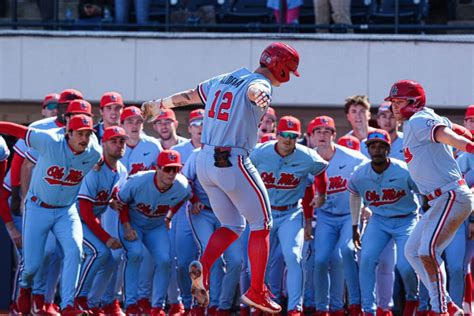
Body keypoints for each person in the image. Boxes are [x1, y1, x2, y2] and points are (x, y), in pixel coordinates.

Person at [141, 42, 300, 313]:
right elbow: (256, 89)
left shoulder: (225, 77)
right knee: (262, 222)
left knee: (233, 225)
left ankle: (203, 266)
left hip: (203, 160)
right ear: (280, 67)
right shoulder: (261, 84)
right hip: (232, 159)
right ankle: (257, 290)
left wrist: (160, 104)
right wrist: (258, 94)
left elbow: (190, 95)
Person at [385, 79, 474, 315]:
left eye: (399, 101)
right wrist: (460, 133)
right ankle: (448, 305)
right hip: (440, 199)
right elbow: (449, 128)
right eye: (392, 102)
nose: (394, 106)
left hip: (450, 194)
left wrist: (467, 144)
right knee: (412, 251)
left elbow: (446, 135)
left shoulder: (417, 120)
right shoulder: (420, 119)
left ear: (414, 102)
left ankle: (440, 309)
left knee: (427, 252)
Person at [0, 114, 102, 315]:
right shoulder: (50, 141)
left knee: (75, 251)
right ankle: (26, 287)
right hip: (38, 207)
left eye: (88, 134)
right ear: (68, 133)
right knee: (32, 265)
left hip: (66, 210)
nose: (84, 138)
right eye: (79, 133)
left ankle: (68, 305)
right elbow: (18, 131)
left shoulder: (94, 152)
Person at [251, 116, 328, 315]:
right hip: (263, 212)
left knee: (294, 257)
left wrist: (322, 194)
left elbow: (320, 172)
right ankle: (259, 303)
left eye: (292, 136)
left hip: (290, 212)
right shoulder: (260, 152)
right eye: (284, 135)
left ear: (298, 137)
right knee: (256, 262)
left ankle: (295, 308)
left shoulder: (308, 156)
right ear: (277, 135)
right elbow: (243, 171)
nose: (287, 140)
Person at [348, 129, 420, 316]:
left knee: (405, 265)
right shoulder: (360, 173)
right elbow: (354, 194)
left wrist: (425, 220)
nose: (377, 150)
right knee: (366, 259)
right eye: (373, 146)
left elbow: (423, 193)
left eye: (382, 146)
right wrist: (355, 227)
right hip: (379, 220)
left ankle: (413, 298)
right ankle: (367, 308)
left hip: (406, 220)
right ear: (368, 149)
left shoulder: (404, 170)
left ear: (388, 149)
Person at [117, 149, 192, 315]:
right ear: (157, 167)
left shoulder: (182, 185)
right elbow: (121, 202)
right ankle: (130, 304)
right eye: (167, 169)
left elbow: (185, 198)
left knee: (165, 260)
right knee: (135, 254)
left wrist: (169, 217)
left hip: (156, 224)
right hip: (134, 220)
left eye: (176, 169)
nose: (172, 174)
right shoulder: (139, 180)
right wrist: (127, 225)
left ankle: (157, 306)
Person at [307, 115, 366, 316]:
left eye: (326, 131)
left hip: (349, 215)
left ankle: (349, 304)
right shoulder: (307, 157)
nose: (322, 135)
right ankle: (322, 308)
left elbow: (370, 176)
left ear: (334, 135)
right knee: (321, 260)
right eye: (318, 132)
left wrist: (366, 204)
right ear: (312, 136)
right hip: (324, 217)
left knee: (345, 252)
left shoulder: (353, 157)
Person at [73, 126, 128, 315]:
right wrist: (106, 237)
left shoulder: (121, 169)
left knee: (112, 258)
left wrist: (112, 201)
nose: (119, 145)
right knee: (100, 251)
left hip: (88, 218)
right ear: (103, 144)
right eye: (114, 141)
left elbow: (110, 195)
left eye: (122, 141)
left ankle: (92, 303)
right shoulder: (94, 168)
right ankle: (77, 299)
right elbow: (86, 211)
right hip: (71, 217)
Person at [169, 109, 204, 313]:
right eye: (196, 124)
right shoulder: (179, 149)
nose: (200, 128)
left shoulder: (214, 149)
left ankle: (204, 304)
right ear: (189, 128)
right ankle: (185, 301)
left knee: (206, 262)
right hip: (182, 210)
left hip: (209, 212)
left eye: (204, 124)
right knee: (182, 263)